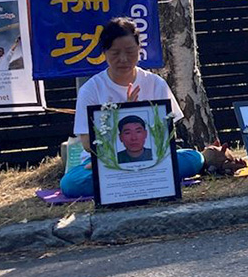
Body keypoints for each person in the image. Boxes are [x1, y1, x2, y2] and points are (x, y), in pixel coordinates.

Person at [61, 17, 203, 198]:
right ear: (104, 52)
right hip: (107, 163)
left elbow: (166, 134)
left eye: (130, 51)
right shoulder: (91, 89)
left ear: (139, 49)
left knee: (194, 158)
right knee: (71, 184)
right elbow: (88, 144)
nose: (123, 59)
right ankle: (145, 179)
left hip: (153, 160)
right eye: (115, 53)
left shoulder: (155, 83)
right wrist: (123, 113)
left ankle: (127, 180)